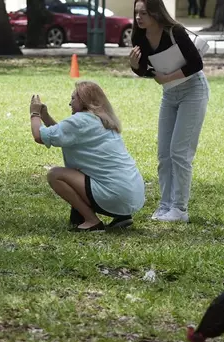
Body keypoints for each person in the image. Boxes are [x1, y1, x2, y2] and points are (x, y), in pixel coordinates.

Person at [129, 0, 209, 223]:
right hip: (169, 95)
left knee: (179, 152)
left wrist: (167, 78)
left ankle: (180, 209)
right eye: (136, 13)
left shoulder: (175, 32)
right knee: (164, 154)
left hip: (193, 91)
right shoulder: (139, 37)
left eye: (144, 13)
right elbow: (146, 70)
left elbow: (196, 63)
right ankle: (165, 206)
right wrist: (135, 67)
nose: (139, 17)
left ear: (156, 13)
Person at [30, 81, 145, 232]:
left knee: (55, 174)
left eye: (73, 98)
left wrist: (35, 113)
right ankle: (121, 216)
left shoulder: (81, 120)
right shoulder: (102, 119)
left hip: (114, 195)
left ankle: (92, 221)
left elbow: (39, 136)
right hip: (131, 194)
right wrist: (45, 116)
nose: (69, 103)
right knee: (81, 173)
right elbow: (63, 134)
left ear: (83, 100)